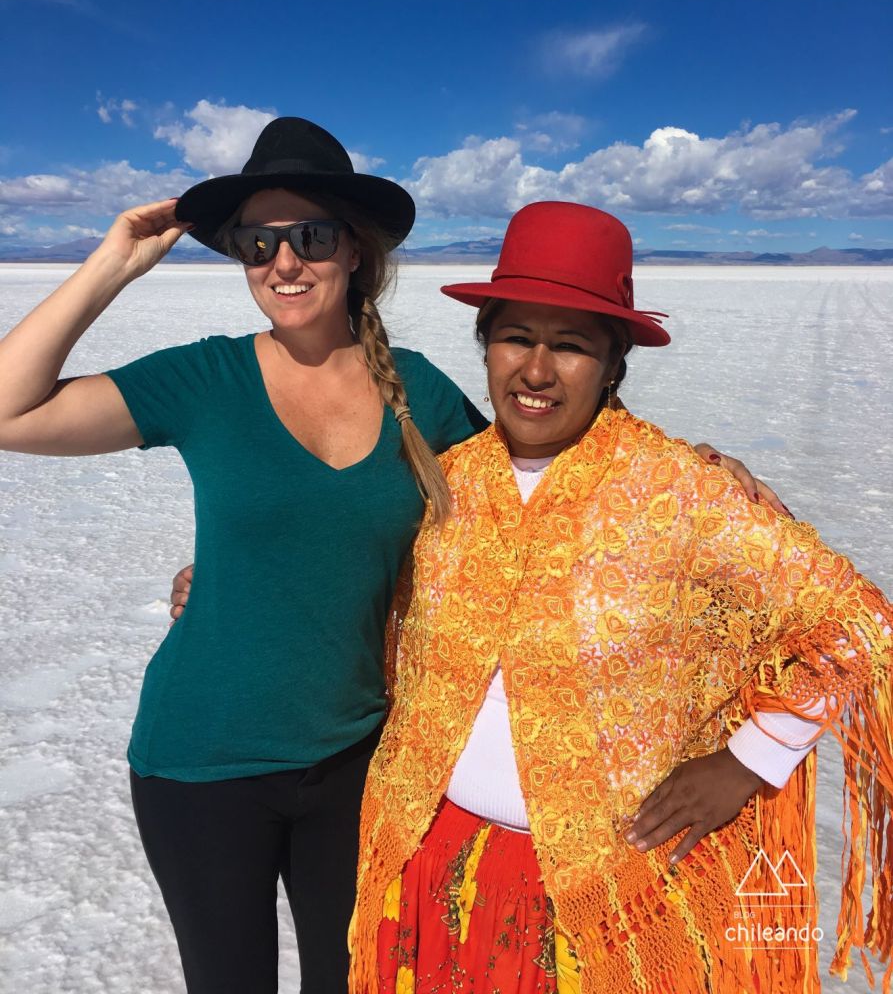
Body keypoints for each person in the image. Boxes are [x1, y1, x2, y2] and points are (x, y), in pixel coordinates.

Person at [0, 117, 779, 994]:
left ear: (356, 251)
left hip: (361, 764)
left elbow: (539, 483)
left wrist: (686, 465)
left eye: (309, 236)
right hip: (202, 763)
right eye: (259, 243)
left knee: (358, 979)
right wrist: (114, 263)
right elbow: (8, 412)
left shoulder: (418, 392)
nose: (284, 262)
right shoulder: (204, 380)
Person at [346, 202, 893, 994]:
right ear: (485, 344)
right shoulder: (446, 481)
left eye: (570, 346)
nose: (535, 371)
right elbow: (358, 593)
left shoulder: (679, 490)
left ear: (612, 364)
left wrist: (747, 761)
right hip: (424, 868)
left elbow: (861, 625)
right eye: (514, 337)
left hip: (603, 904)